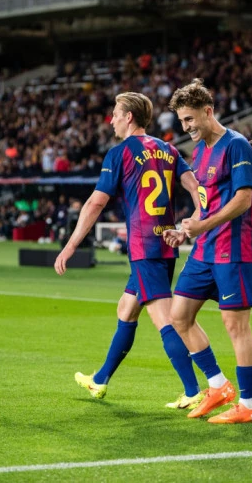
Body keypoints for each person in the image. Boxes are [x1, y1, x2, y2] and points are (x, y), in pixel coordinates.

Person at [54, 92, 205, 411]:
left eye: (115, 114)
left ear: (129, 117)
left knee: (165, 319)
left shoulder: (120, 153)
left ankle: (194, 390)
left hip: (144, 246)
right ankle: (100, 379)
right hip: (166, 242)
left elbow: (95, 203)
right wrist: (198, 216)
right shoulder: (169, 149)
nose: (111, 120)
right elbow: (194, 186)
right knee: (126, 309)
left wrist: (70, 246)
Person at [162, 79, 252, 424]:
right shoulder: (201, 150)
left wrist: (203, 225)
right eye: (181, 121)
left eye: (189, 119)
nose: (185, 127)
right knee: (179, 316)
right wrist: (187, 228)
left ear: (208, 111)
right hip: (204, 249)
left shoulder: (237, 146)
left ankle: (248, 406)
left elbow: (244, 199)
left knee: (236, 326)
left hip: (233, 248)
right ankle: (218, 385)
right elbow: (206, 203)